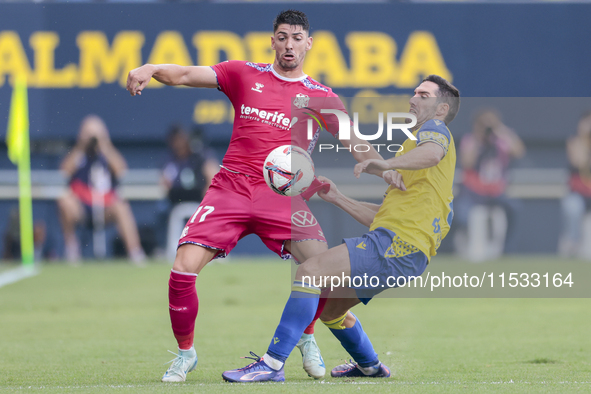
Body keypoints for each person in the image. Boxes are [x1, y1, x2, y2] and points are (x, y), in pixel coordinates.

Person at [126, 10, 385, 382]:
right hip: (230, 188)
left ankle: (306, 337)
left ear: (309, 44)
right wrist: (151, 66)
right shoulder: (243, 74)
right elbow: (184, 74)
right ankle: (185, 355)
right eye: (282, 37)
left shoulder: (321, 97)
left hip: (282, 196)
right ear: (272, 40)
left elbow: (357, 144)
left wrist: (388, 170)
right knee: (183, 267)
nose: (289, 45)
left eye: (297, 38)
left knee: (324, 274)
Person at [222, 75, 460, 382]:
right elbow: (383, 216)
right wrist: (337, 197)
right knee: (331, 310)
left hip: (397, 244)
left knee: (309, 272)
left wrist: (386, 164)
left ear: (440, 109)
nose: (413, 97)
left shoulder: (434, 130)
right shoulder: (414, 152)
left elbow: (433, 152)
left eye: (423, 94)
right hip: (406, 250)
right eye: (414, 91)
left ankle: (271, 365)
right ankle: (370, 366)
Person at [57, 115, 146, 264]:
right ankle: (72, 249)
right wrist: (81, 145)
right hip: (82, 208)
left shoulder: (106, 153)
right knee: (64, 200)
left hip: (105, 208)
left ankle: (135, 252)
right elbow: (64, 171)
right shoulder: (79, 154)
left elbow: (121, 170)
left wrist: (104, 145)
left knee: (121, 205)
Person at [453, 109, 525, 260]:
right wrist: (479, 138)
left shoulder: (501, 140)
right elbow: (467, 163)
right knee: (462, 215)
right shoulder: (470, 140)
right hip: (473, 191)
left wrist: (501, 130)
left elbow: (519, 152)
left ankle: (506, 250)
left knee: (514, 208)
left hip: (496, 191)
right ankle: (464, 243)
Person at [155, 125, 219, 256]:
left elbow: (213, 177)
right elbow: (165, 184)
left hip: (201, 200)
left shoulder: (200, 156)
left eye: (181, 139)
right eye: (175, 140)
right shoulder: (170, 159)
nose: (178, 143)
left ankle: (215, 248)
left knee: (216, 208)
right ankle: (166, 248)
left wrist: (206, 199)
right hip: (176, 202)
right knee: (161, 210)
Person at [559, 110, 591, 258]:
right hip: (578, 194)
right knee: (573, 208)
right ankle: (573, 244)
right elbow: (579, 161)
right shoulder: (574, 142)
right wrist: (585, 138)